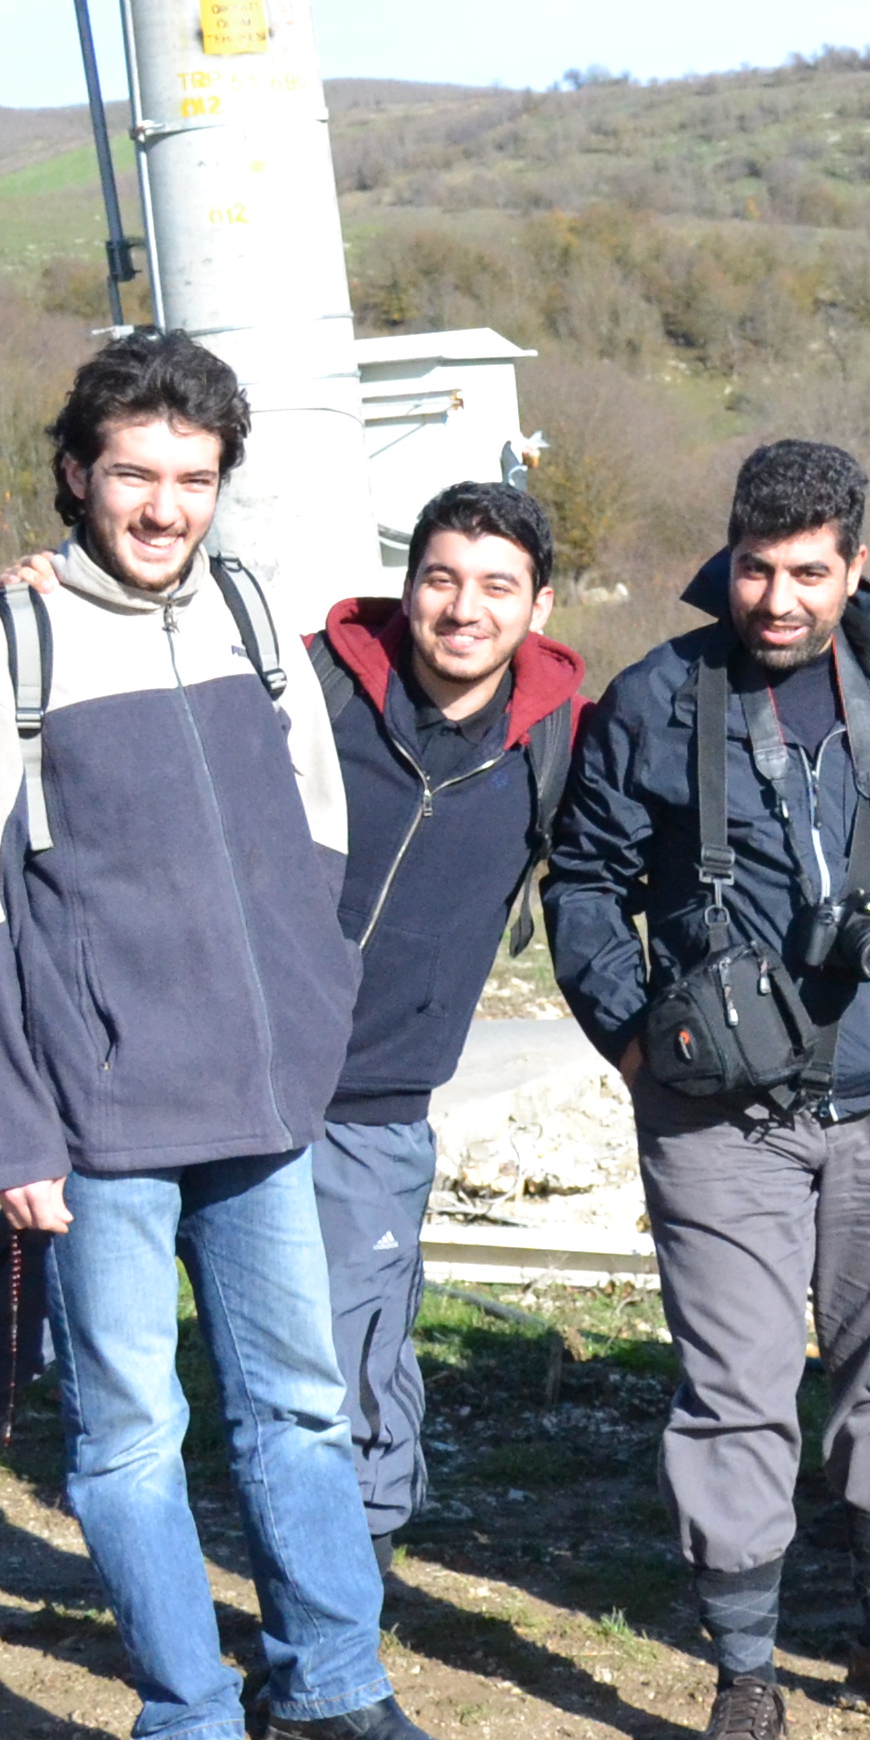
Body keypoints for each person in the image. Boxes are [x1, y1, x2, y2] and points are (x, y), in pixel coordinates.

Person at [0, 331, 473, 1740]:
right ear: (76, 474)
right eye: (135, 476)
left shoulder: (248, 616)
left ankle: (333, 1681)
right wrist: (6, 1127)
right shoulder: (8, 651)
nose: (163, 506)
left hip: (260, 1107)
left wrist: (304, 1025)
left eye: (191, 479)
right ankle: (188, 1723)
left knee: (301, 1407)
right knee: (126, 1434)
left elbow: (314, 841)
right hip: (100, 1124)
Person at [544, 439, 870, 1740]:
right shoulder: (658, 699)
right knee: (738, 1390)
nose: (779, 597)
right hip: (714, 1114)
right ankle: (745, 1673)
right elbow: (583, 877)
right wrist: (634, 1031)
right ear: (727, 557)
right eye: (757, 567)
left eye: (810, 570)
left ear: (854, 565)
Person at [304, 481, 588, 1562]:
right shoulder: (308, 687)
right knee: (56, 1292)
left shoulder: (563, 739)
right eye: (442, 579)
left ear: (539, 607)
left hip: (374, 1103)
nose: (465, 607)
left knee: (358, 1350)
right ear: (408, 585)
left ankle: (350, 1596)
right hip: (219, 1077)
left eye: (497, 586)